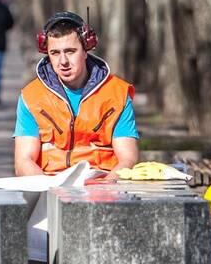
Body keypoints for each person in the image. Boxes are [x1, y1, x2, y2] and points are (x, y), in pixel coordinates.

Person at [14, 12, 139, 177]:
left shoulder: (117, 94)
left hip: (103, 188)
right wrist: (49, 191)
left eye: (70, 51)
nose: (63, 61)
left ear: (86, 51)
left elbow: (128, 160)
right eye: (55, 53)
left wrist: (106, 190)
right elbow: (23, 161)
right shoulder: (32, 97)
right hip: (48, 185)